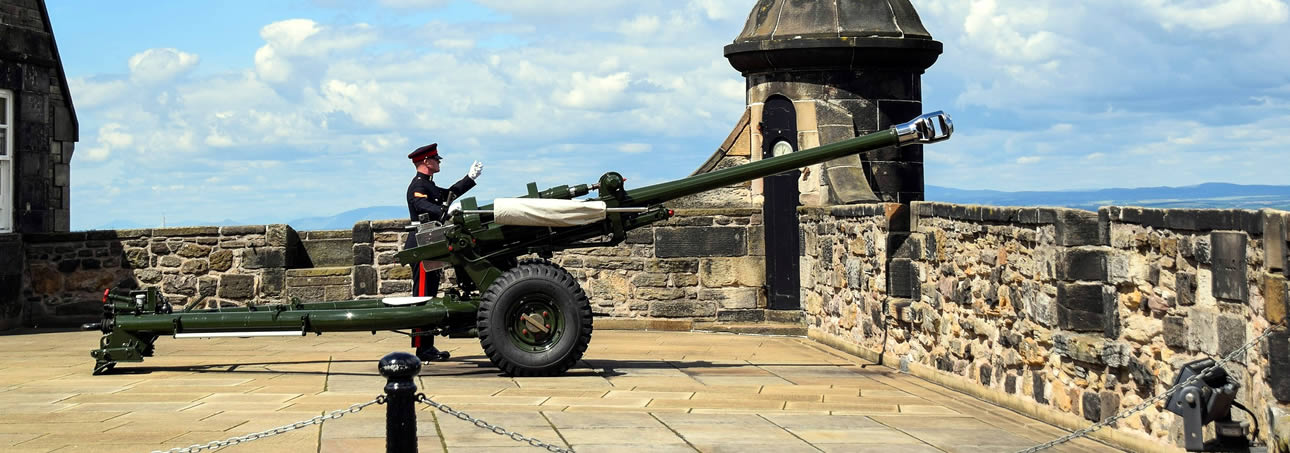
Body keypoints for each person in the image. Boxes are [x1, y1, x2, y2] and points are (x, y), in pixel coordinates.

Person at [404, 142, 483, 361]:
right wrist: (445, 211)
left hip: (430, 243)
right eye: (436, 160)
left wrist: (469, 179)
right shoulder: (417, 186)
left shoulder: (428, 184)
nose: (439, 162)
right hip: (421, 245)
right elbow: (425, 208)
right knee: (422, 297)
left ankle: (426, 346)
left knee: (428, 294)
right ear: (426, 162)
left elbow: (448, 194)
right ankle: (422, 348)